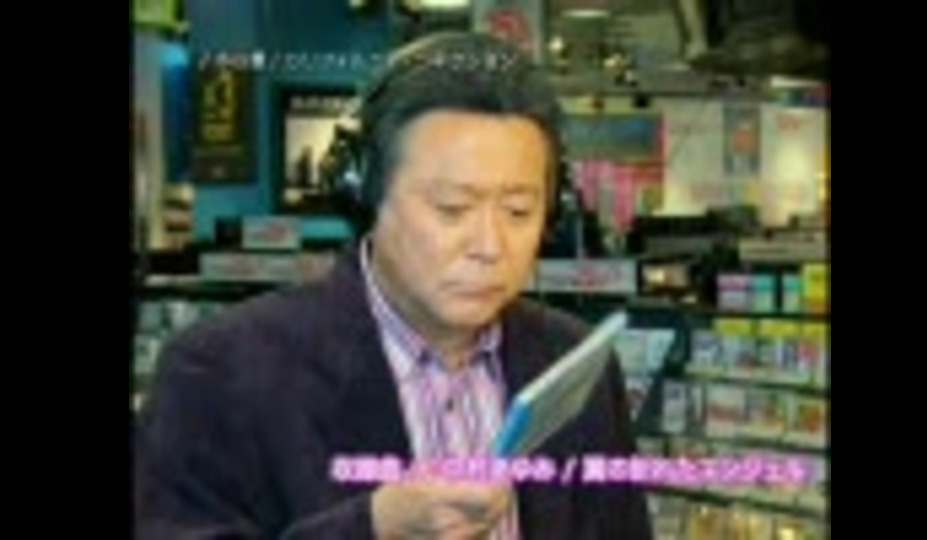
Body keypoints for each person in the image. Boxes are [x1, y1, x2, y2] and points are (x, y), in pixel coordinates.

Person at [135, 31, 654, 540]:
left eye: (519, 211)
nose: (490, 245)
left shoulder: (574, 363)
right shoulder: (218, 372)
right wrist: (373, 528)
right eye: (452, 208)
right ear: (365, 196)